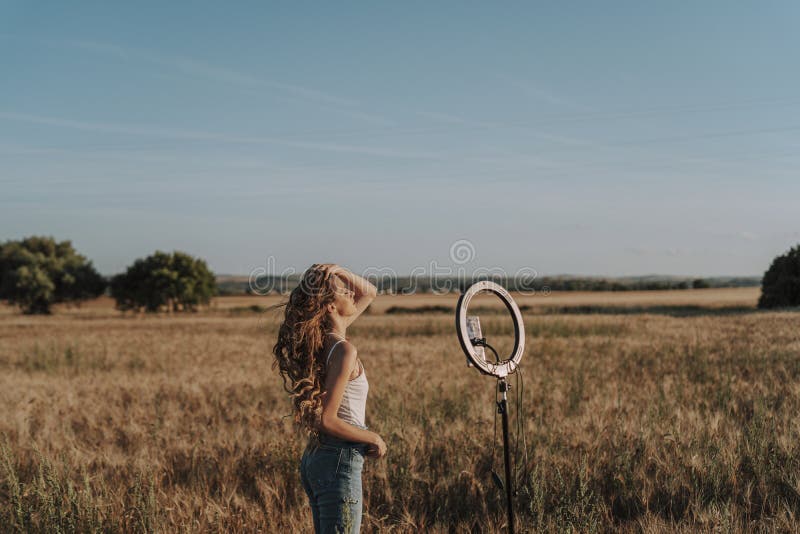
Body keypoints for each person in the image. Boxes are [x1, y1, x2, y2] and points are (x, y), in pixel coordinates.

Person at [272, 263, 387, 533]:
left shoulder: (320, 343)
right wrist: (373, 438)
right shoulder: (344, 351)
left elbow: (369, 292)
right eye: (342, 291)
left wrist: (338, 270)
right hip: (340, 457)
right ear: (330, 307)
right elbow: (328, 419)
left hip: (317, 458)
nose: (350, 292)